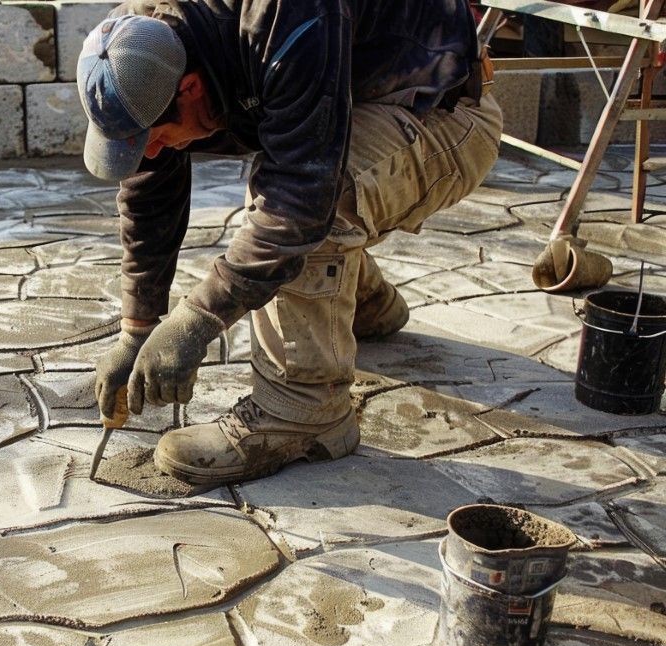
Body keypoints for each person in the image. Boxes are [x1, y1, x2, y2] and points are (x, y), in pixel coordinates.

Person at [78, 0, 502, 485]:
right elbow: (148, 187)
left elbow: (300, 197)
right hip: (357, 106)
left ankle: (302, 409)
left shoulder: (289, 15)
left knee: (306, 199)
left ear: (190, 87)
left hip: (447, 117)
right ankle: (366, 305)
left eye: (154, 136)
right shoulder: (140, 38)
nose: (149, 151)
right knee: (297, 192)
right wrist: (138, 323)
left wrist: (196, 321)